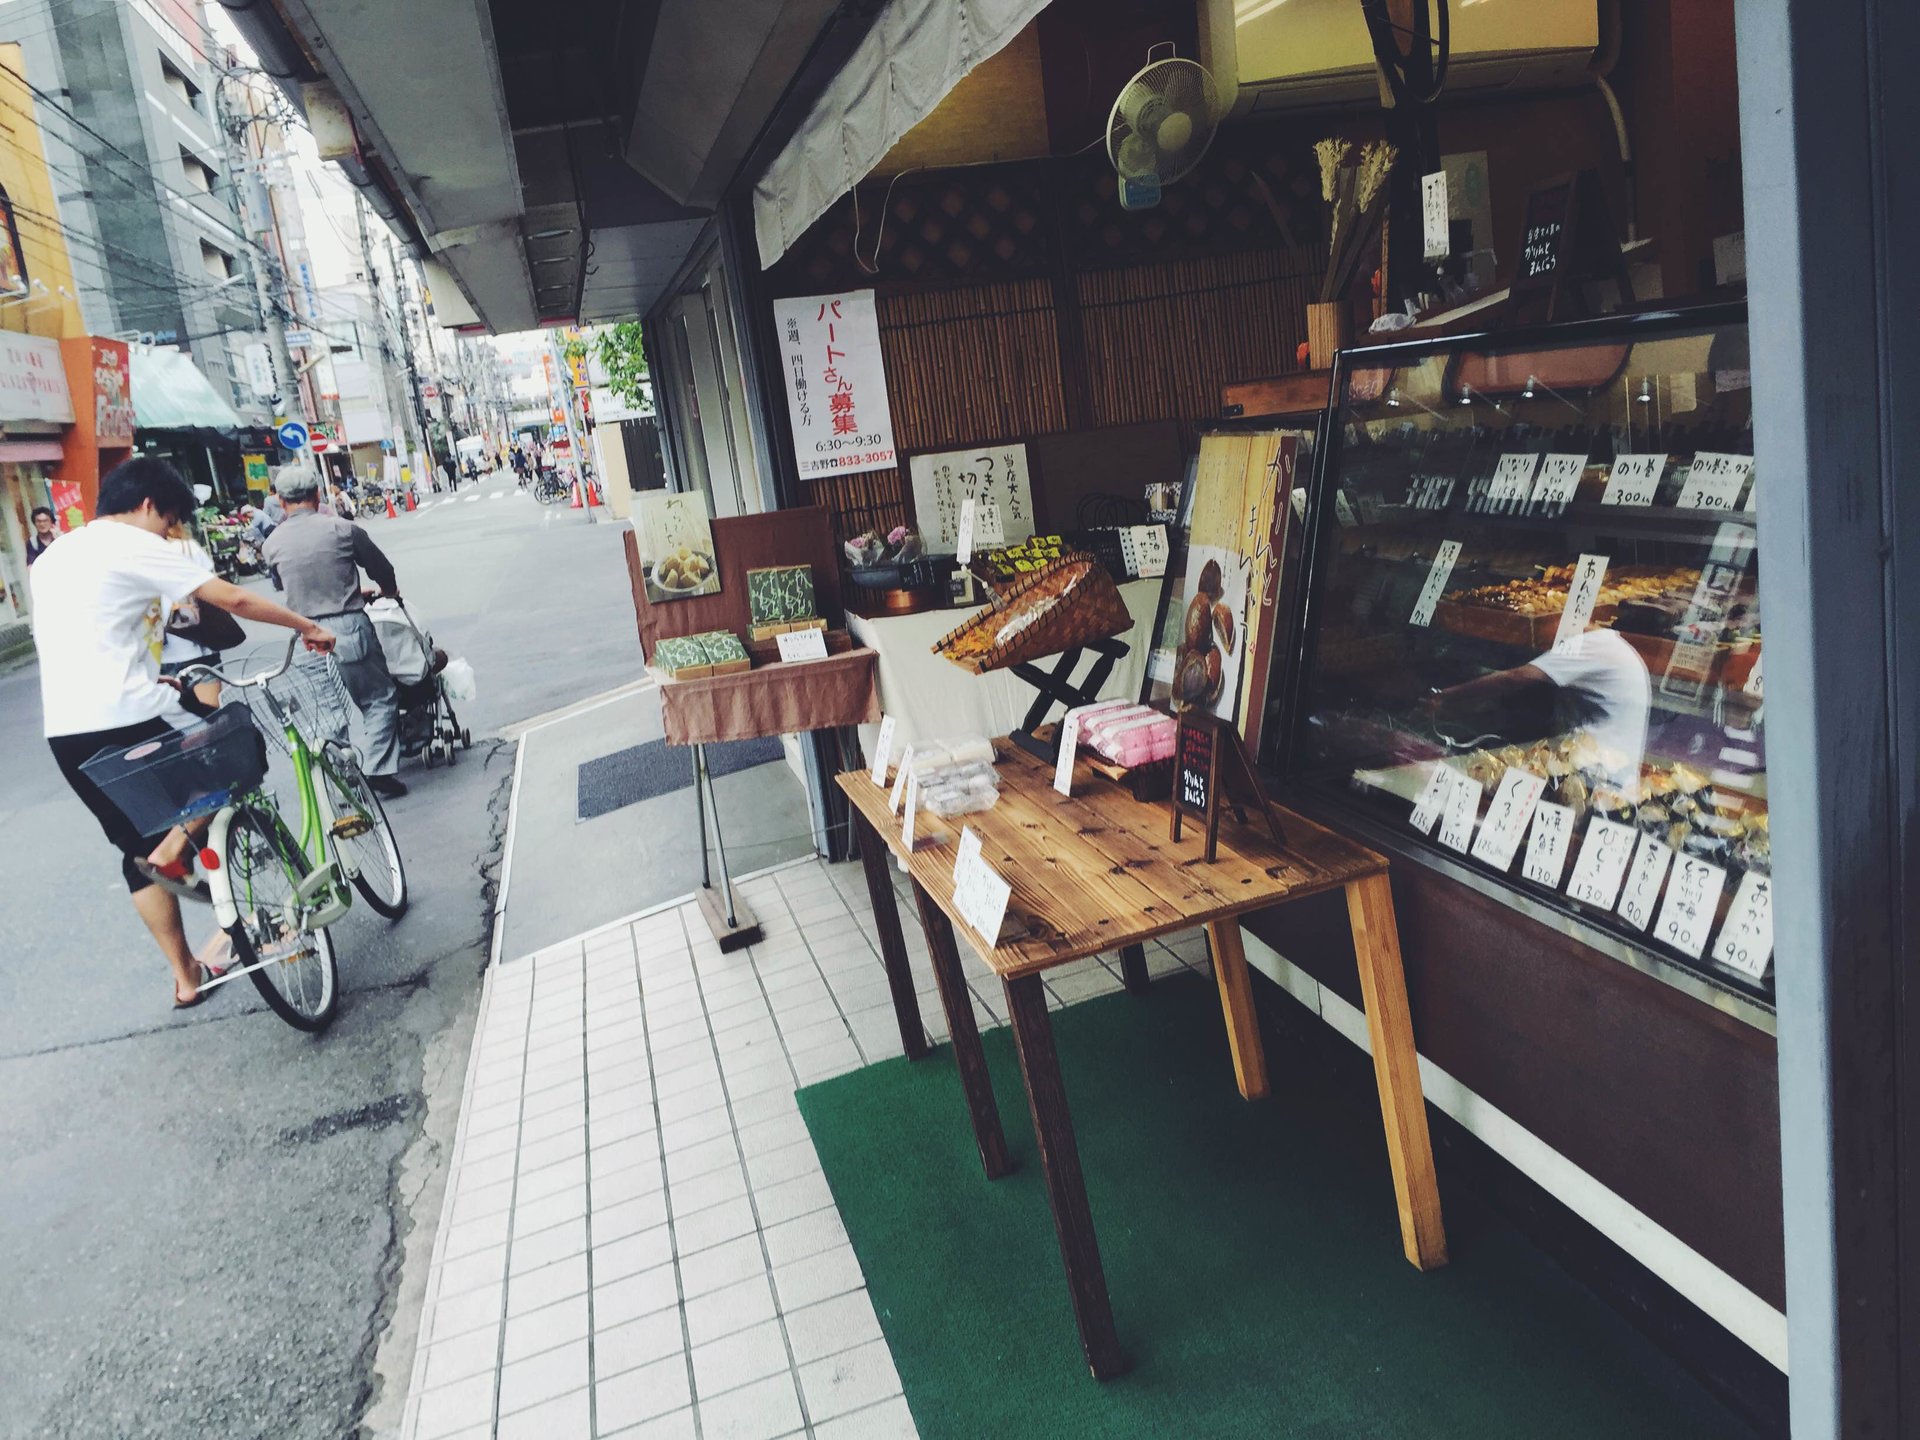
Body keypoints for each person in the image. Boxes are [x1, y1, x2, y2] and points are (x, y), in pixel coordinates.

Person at [32, 457, 335, 1010]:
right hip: (131, 713)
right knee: (243, 750)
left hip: (67, 732)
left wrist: (155, 675)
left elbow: (96, 636)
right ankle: (176, 849)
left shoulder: (52, 557)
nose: (169, 533)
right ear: (148, 505)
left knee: (134, 852)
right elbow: (235, 600)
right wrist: (307, 626)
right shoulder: (132, 542)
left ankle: (187, 975)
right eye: (167, 519)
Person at [261, 466, 410, 799]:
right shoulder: (343, 529)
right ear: (317, 496)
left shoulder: (271, 543)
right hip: (348, 627)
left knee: (326, 712)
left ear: (282, 502)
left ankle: (345, 780)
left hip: (304, 634)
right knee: (378, 698)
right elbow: (381, 568)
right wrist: (387, 591)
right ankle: (378, 769)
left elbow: (281, 583)